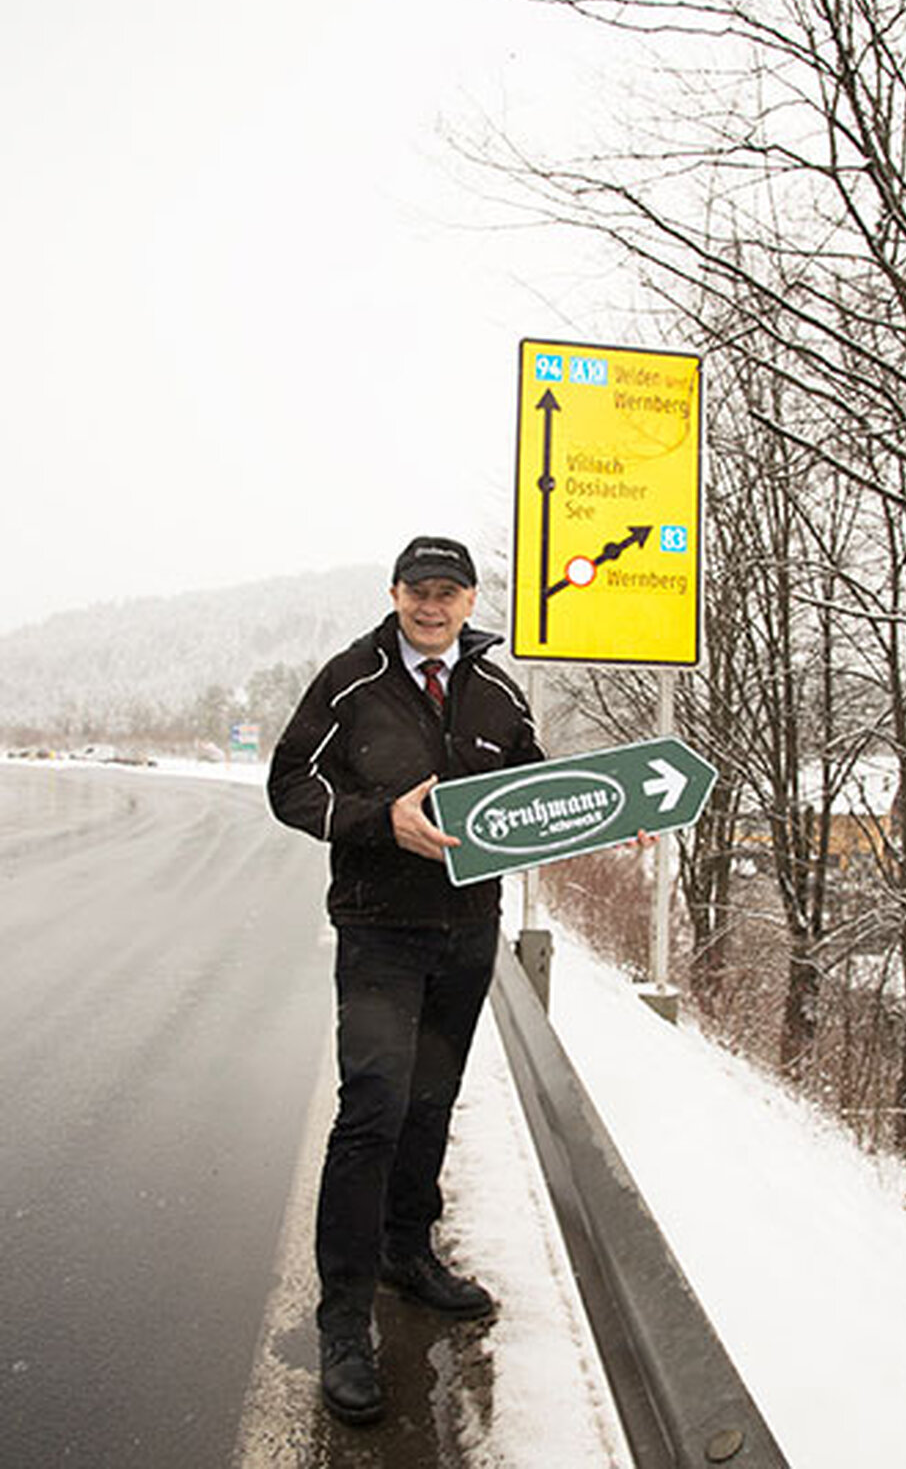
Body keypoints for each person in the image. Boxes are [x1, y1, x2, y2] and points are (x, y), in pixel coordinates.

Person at [267, 535, 543, 1426]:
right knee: (373, 1111)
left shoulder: (499, 690)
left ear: (469, 601)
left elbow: (538, 793)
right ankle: (345, 1319)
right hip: (380, 931)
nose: (433, 605)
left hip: (468, 933)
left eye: (449, 592)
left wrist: (620, 816)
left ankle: (406, 1250)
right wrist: (378, 821)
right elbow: (288, 786)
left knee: (431, 1102)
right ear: (395, 594)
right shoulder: (350, 679)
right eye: (419, 590)